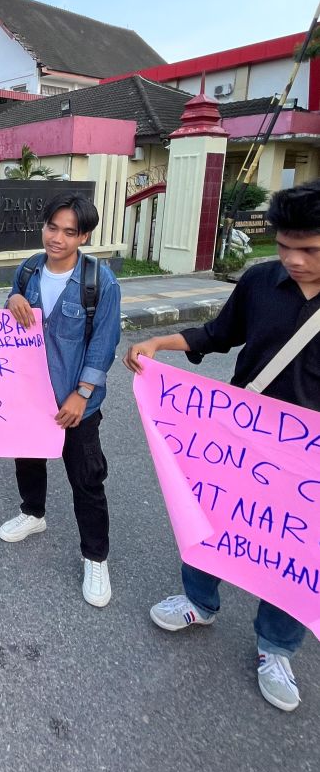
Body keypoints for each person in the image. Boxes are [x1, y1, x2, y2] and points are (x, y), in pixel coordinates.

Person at [124, 179, 320, 712]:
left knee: (291, 552)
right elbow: (217, 334)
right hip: (238, 439)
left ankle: (276, 647)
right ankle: (198, 601)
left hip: (307, 464)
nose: (294, 260)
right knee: (212, 521)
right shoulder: (259, 282)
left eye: (310, 250)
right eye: (284, 247)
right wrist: (157, 343)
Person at [0, 192, 122, 606]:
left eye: (70, 232)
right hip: (29, 396)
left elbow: (104, 343)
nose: (57, 238)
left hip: (76, 404)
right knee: (28, 459)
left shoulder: (99, 282)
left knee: (86, 478)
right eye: (53, 227)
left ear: (83, 236)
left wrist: (82, 394)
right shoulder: (29, 270)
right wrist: (12, 299)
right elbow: (11, 319)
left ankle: (96, 557)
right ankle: (33, 514)